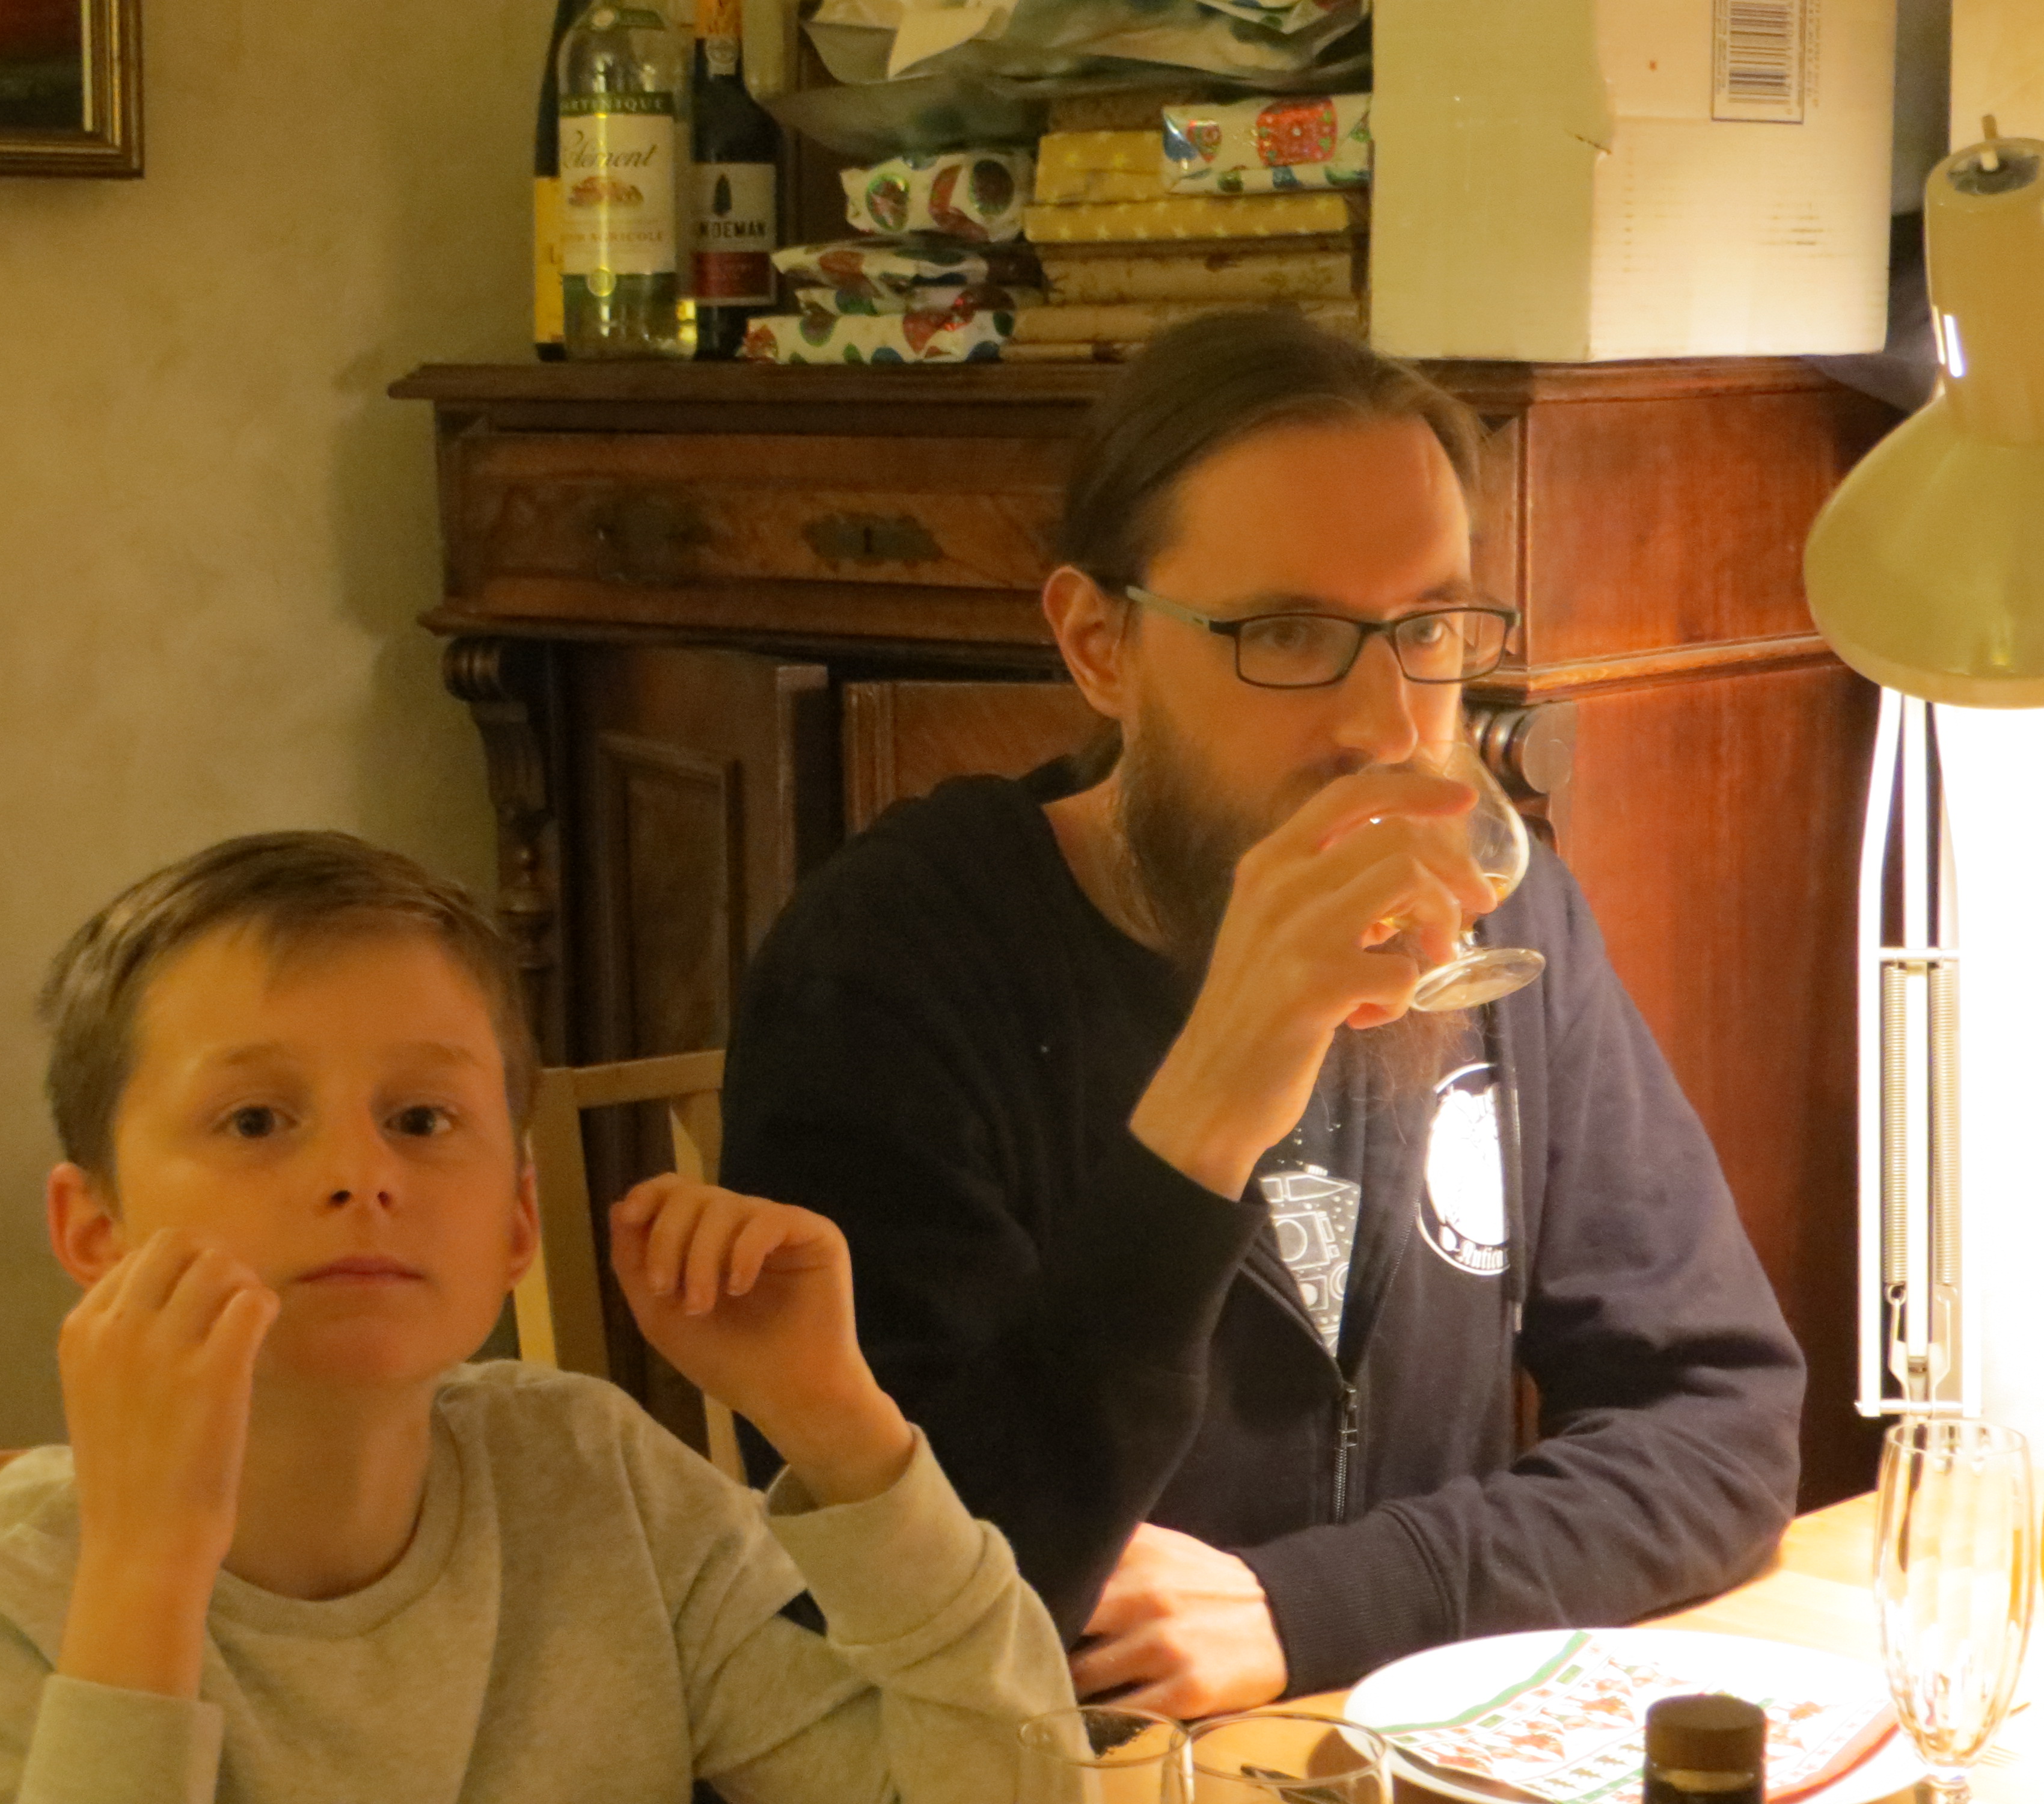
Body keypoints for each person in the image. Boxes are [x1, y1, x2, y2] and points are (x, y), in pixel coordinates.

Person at [718, 310, 1807, 1718]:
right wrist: (1213, 1097)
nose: (1384, 724)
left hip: (1374, 1742)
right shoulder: (888, 969)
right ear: (1098, 644)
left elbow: (1717, 1424)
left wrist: (1322, 1605)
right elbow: (922, 1612)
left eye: (1425, 629)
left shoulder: (1501, 915)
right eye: (1287, 634)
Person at [0, 831, 1072, 1804]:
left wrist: (839, 1423)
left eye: (422, 1120)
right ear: (94, 1233)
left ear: (517, 1221)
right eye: (256, 1121)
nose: (359, 1175)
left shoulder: (597, 1485)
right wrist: (145, 1574)